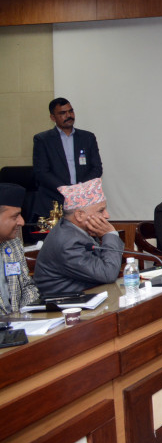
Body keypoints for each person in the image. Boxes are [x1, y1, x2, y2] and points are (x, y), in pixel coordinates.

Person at [33, 178, 123, 295]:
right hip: (65, 303)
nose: (107, 215)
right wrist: (109, 234)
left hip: (88, 296)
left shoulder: (74, 230)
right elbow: (108, 274)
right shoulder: (68, 242)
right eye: (101, 211)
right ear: (79, 215)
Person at [32, 97, 103, 222]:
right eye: (62, 113)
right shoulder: (42, 140)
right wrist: (67, 190)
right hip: (54, 201)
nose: (69, 115)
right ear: (53, 117)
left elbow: (96, 168)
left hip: (83, 201)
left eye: (71, 111)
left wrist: (79, 189)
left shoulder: (88, 137)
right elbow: (42, 172)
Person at [0, 183, 40, 314]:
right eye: (15, 216)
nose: (22, 222)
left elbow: (27, 287)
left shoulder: (13, 244)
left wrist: (28, 317)